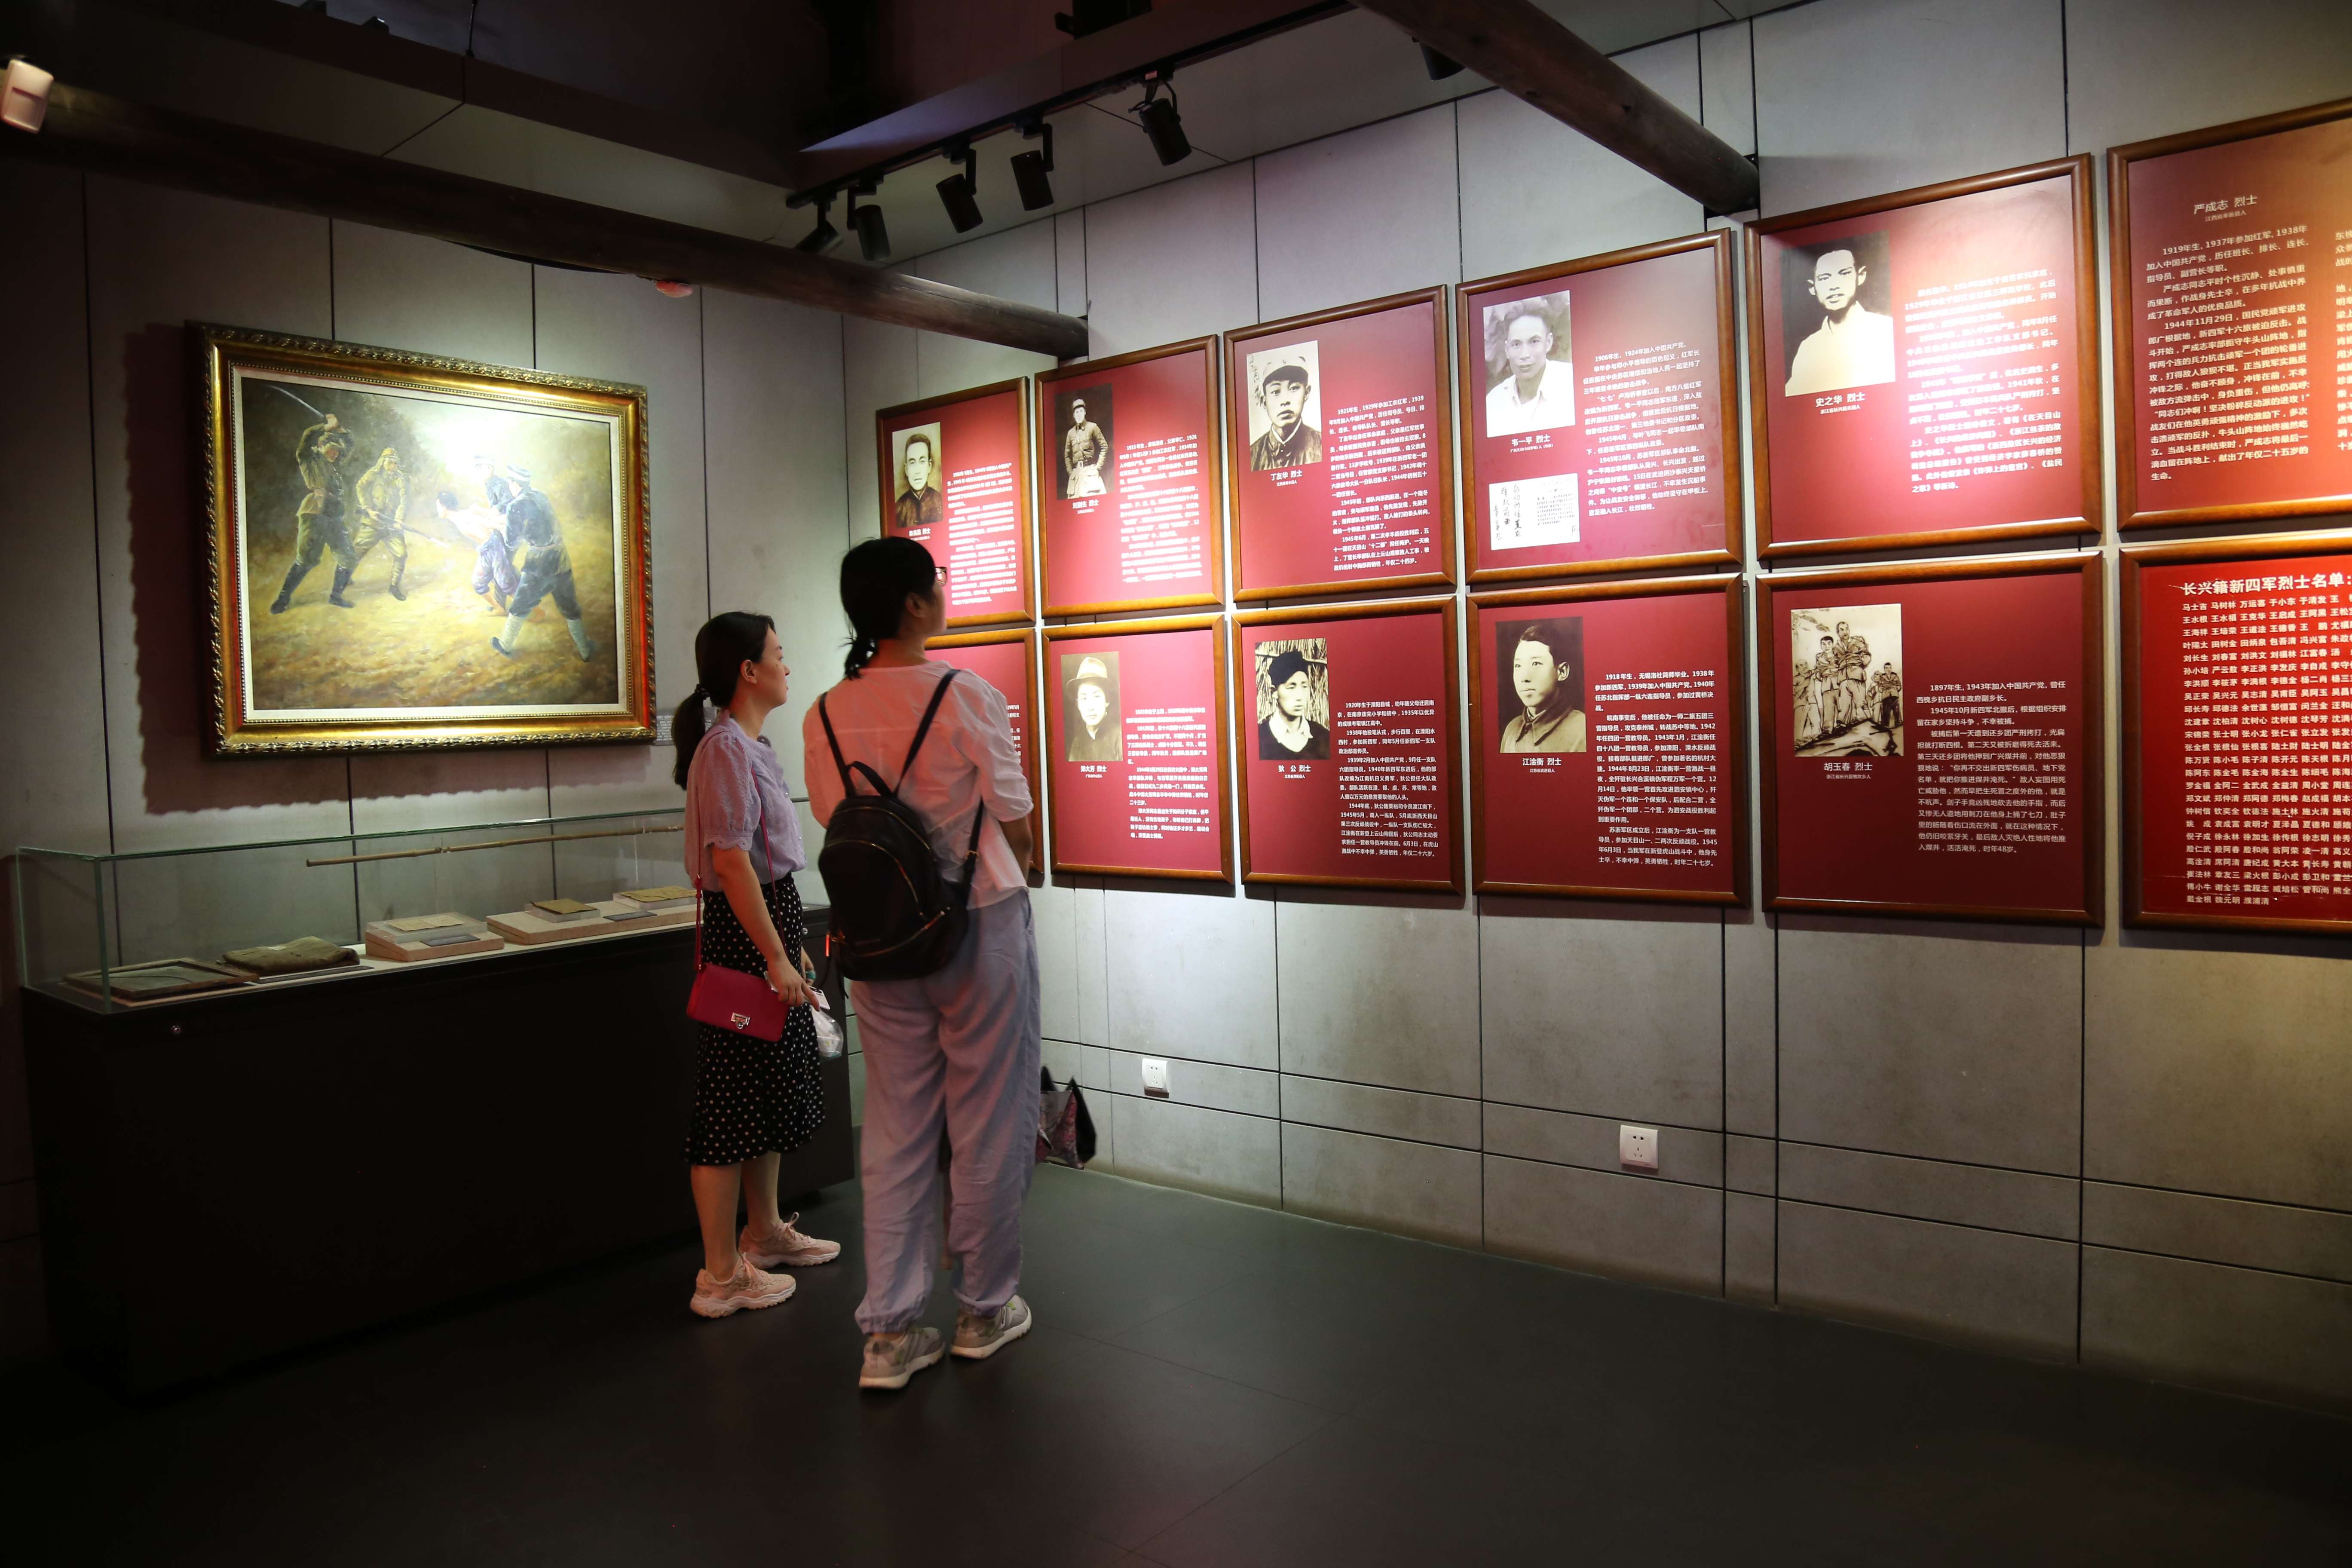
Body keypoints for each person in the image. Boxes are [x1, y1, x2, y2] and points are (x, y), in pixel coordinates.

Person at [802, 536, 1040, 1391]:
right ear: (912, 603)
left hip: (879, 934)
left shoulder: (824, 712)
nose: (943, 590)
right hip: (977, 918)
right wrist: (1015, 862)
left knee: (896, 1125)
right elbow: (1014, 813)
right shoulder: (963, 693)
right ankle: (982, 1307)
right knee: (988, 1114)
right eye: (935, 581)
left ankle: (890, 1334)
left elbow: (833, 816)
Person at [674, 610, 842, 1320]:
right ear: (748, 670)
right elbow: (731, 861)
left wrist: (787, 940)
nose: (786, 665)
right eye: (778, 653)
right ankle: (720, 1275)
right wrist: (773, 954)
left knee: (767, 1094)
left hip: (768, 922)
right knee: (731, 1104)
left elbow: (760, 864)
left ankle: (764, 1232)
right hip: (746, 937)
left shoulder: (747, 745)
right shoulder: (724, 751)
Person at [490, 465, 598, 664]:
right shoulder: (541, 496)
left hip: (539, 563)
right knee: (569, 606)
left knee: (520, 604)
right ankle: (585, 650)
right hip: (560, 557)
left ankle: (505, 644)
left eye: (509, 483)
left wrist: (498, 526)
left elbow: (512, 542)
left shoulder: (515, 506)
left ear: (514, 484)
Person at [269, 415, 358, 613]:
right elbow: (307, 437)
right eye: (331, 450)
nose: (335, 454)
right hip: (315, 515)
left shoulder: (335, 464)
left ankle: (336, 597)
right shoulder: (310, 459)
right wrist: (326, 427)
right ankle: (283, 599)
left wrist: (341, 431)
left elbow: (350, 445)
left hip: (335, 517)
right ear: (321, 448)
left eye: (337, 451)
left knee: (348, 558)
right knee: (306, 560)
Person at [1784, 245, 1895, 396]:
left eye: (1844, 274)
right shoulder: (1808, 348)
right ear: (1812, 287)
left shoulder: (1887, 330)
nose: (1834, 286)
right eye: (1824, 278)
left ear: (1861, 276)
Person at [1485, 302, 1575, 436]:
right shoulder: (1494, 402)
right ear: (1507, 350)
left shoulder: (1572, 383)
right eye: (1516, 344)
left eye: (1534, 342)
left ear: (1548, 343)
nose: (1525, 355)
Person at [1502, 623, 1586, 753]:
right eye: (1518, 666)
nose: (1524, 678)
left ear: (1562, 672)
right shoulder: (1512, 730)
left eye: (1536, 664)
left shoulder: (1582, 729)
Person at [438, 489, 517, 613]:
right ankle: (499, 609)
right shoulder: (458, 520)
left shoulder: (463, 516)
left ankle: (535, 611)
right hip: (485, 551)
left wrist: (500, 527)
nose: (437, 509)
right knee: (478, 583)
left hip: (493, 549)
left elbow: (484, 523)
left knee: (506, 584)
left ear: (444, 508)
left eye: (438, 506)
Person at [351, 446, 410, 602]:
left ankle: (394, 587)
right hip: (373, 522)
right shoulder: (373, 475)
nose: (393, 466)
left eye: (396, 463)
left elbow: (404, 501)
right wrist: (368, 509)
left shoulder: (401, 479)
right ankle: (344, 579)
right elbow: (360, 487)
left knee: (401, 555)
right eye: (390, 462)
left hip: (392, 525)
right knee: (356, 552)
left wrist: (399, 520)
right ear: (383, 462)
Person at [1249, 357, 1322, 471]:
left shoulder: (1323, 445)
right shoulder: (1252, 455)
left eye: (1294, 388)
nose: (1285, 401)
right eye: (1276, 392)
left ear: (1306, 393)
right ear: (1264, 402)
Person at [1257, 647, 1329, 760]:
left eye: (1304, 687)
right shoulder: (1259, 737)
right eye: (1291, 687)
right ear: (1274, 692)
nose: (1300, 696)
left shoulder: (1323, 736)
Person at [1065, 655, 1121, 762]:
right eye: (1084, 698)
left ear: (1107, 700)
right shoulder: (1078, 743)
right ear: (1078, 704)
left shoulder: (1120, 737)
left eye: (1097, 696)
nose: (1090, 707)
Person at [894, 432, 943, 530]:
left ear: (929, 466)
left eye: (922, 462)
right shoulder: (899, 508)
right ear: (906, 469)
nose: (917, 471)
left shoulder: (940, 501)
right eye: (912, 463)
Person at [1062, 397, 1109, 498]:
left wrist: (1098, 467)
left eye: (1081, 411)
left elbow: (1104, 446)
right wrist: (1071, 472)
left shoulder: (1093, 427)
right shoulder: (1071, 433)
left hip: (1090, 474)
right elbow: (1067, 455)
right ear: (1074, 415)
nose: (1079, 414)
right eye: (1077, 412)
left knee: (1094, 501)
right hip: (1076, 476)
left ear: (1085, 413)